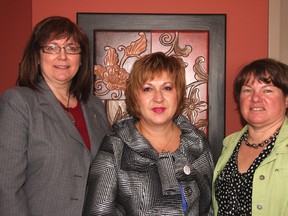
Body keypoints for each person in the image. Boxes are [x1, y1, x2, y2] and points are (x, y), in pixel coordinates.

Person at [0, 16, 109, 216]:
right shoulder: (19, 102)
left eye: (71, 48)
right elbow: (7, 186)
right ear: (37, 55)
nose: (62, 56)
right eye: (51, 47)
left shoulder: (95, 106)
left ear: (82, 57)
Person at [83, 52, 214, 216]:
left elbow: (209, 208)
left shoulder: (197, 143)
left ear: (178, 94)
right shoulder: (115, 147)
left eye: (167, 88)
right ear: (135, 97)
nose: (158, 98)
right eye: (147, 89)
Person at [212, 58, 288, 215]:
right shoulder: (230, 144)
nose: (255, 98)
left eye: (267, 90)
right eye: (247, 90)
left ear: (286, 99)